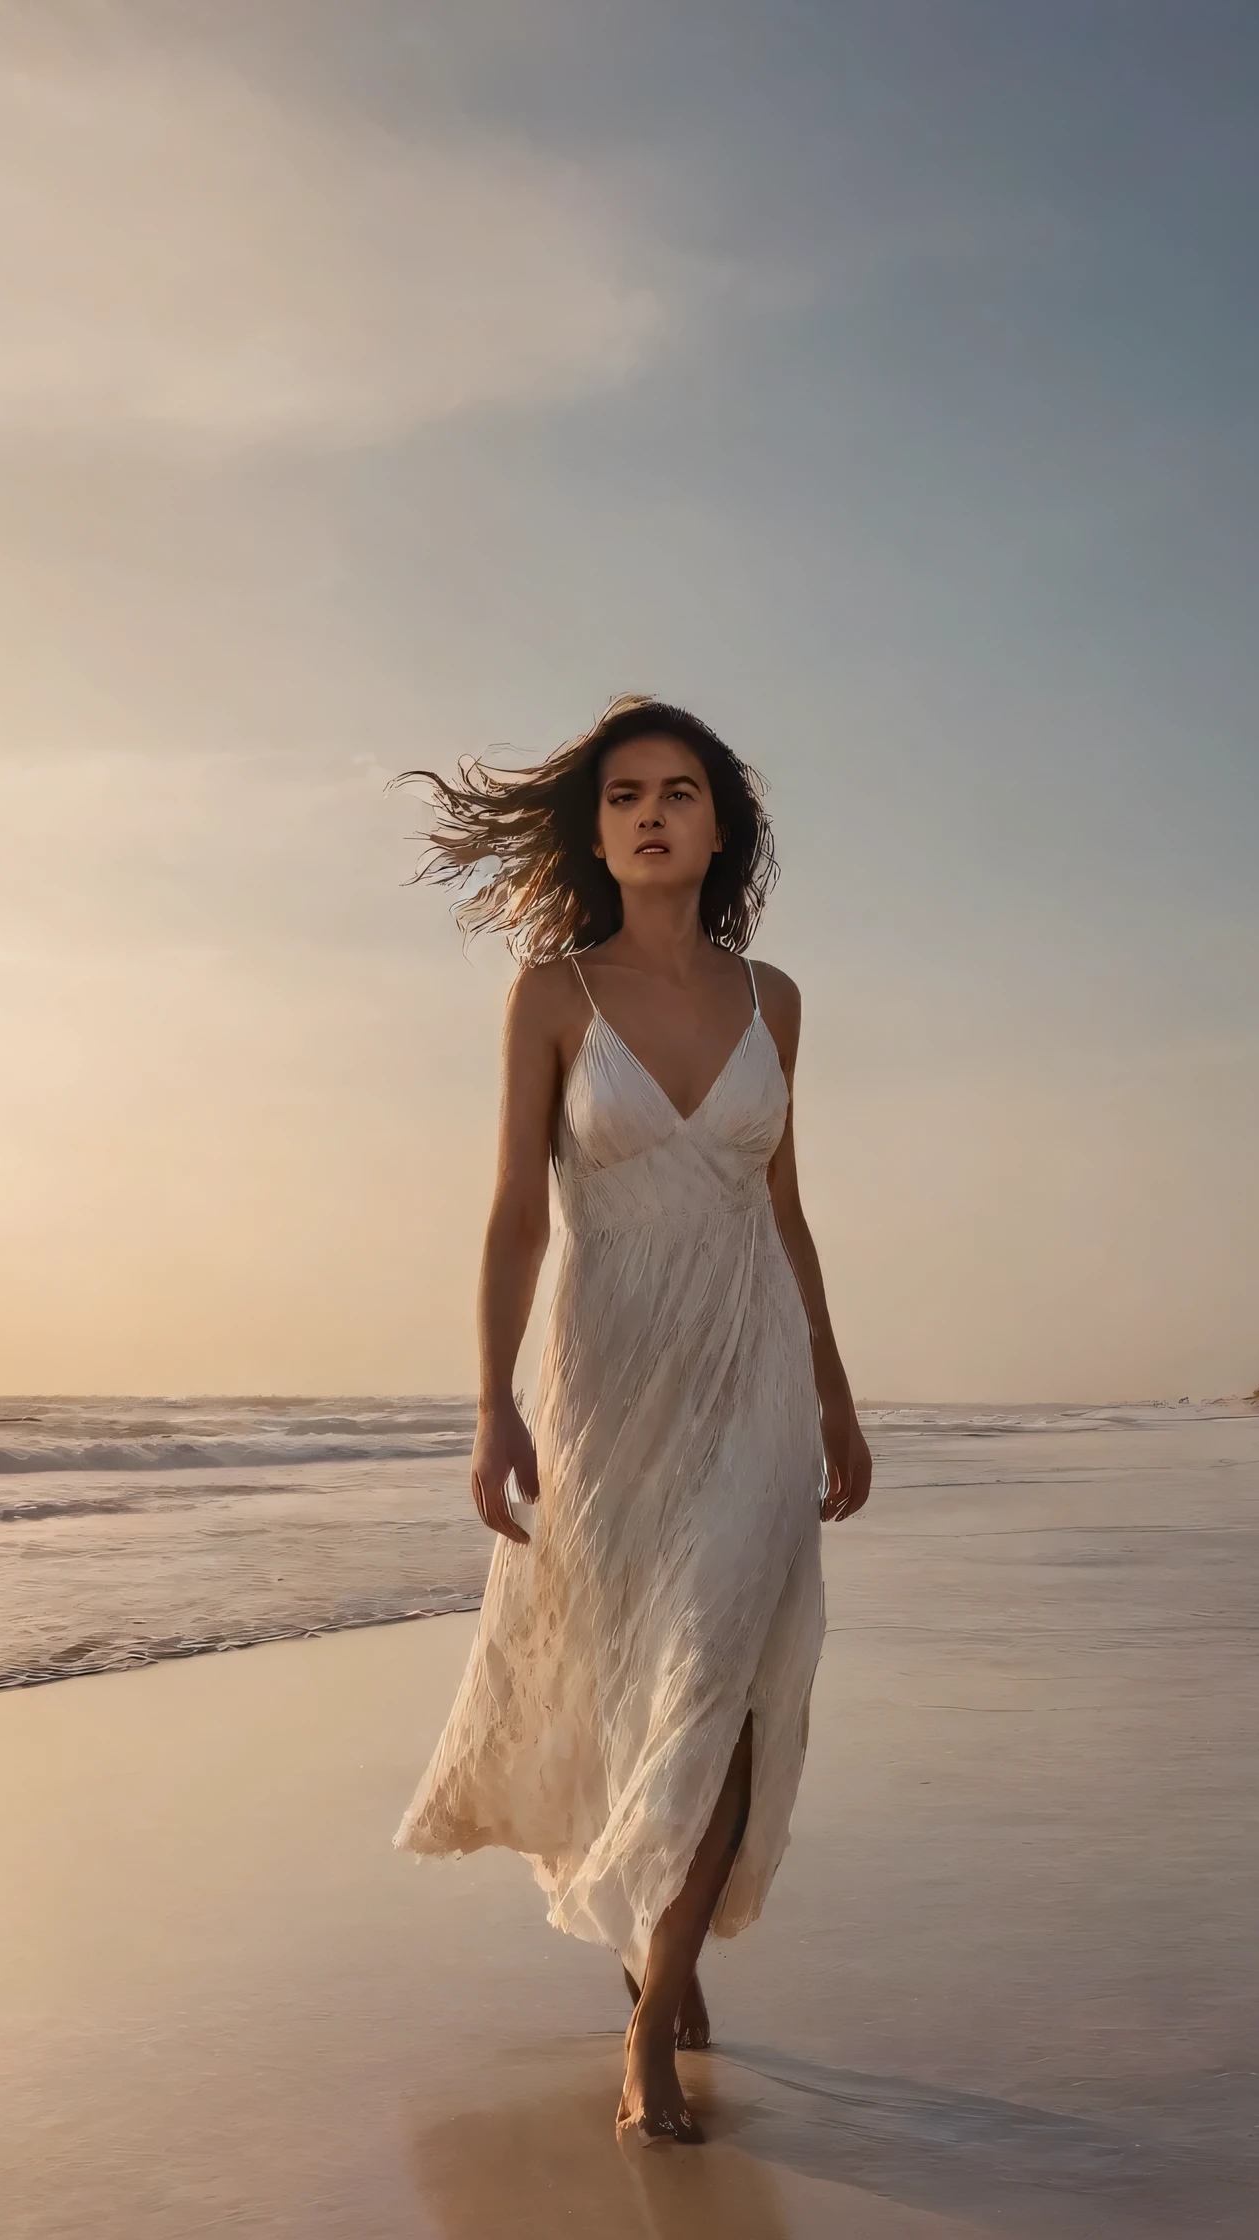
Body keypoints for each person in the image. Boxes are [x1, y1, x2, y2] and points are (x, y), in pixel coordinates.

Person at [395, 696, 870, 2143]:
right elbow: (514, 1218)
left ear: (720, 826)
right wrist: (493, 1408)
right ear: (595, 830)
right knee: (625, 1678)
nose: (651, 813)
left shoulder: (771, 998)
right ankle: (650, 1942)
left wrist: (837, 1396)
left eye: (679, 792)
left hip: (749, 1371)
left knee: (721, 1677)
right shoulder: (553, 993)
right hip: (608, 1376)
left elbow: (785, 1208)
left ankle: (652, 2027)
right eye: (624, 796)